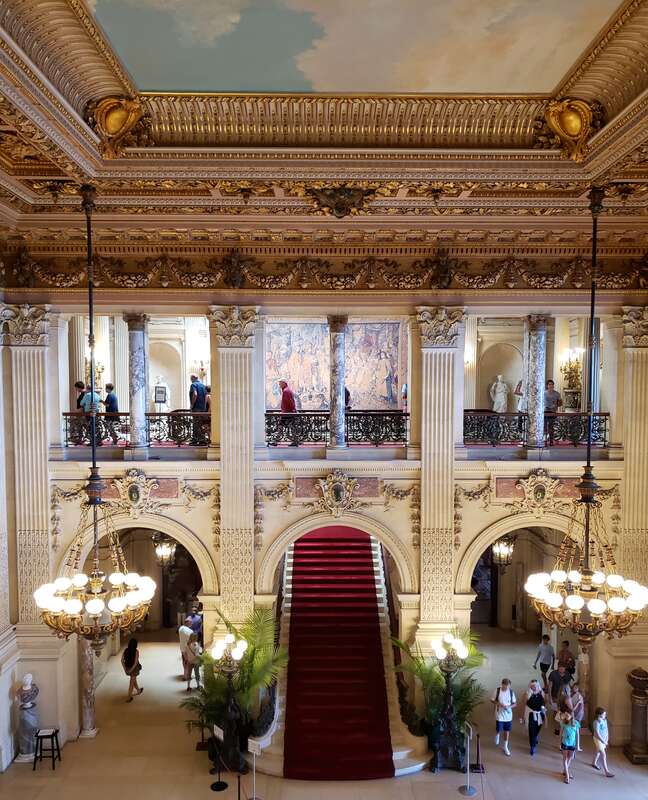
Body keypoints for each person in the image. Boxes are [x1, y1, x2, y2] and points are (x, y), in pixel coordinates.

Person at [491, 678, 516, 756]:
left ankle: (505, 746)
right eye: (505, 686)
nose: (506, 688)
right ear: (502, 684)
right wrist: (498, 704)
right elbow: (492, 700)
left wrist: (509, 707)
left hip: (508, 715)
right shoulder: (497, 691)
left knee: (507, 730)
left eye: (508, 686)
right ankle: (497, 734)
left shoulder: (511, 692)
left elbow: (515, 704)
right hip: (499, 714)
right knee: (498, 728)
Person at [524, 679, 546, 756]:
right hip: (531, 715)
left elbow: (543, 704)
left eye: (535, 685)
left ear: (537, 685)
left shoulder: (541, 693)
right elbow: (525, 703)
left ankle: (536, 736)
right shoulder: (528, 693)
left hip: (540, 714)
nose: (534, 687)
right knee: (531, 731)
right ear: (530, 686)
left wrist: (545, 715)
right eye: (532, 686)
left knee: (538, 729)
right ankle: (532, 747)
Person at [592, 706, 614, 778]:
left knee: (598, 752)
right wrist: (603, 741)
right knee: (603, 754)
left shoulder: (605, 720)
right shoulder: (596, 722)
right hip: (598, 740)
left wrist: (607, 738)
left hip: (604, 740)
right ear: (599, 715)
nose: (605, 715)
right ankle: (606, 771)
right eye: (604, 714)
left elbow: (606, 730)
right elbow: (597, 733)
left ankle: (594, 763)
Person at [559, 711, 580, 784]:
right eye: (565, 714)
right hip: (565, 743)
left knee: (570, 757)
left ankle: (565, 770)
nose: (566, 716)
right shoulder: (563, 723)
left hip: (572, 744)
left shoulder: (576, 723)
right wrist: (559, 744)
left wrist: (578, 745)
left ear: (572, 715)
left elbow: (577, 735)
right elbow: (560, 734)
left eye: (568, 714)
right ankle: (567, 775)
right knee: (565, 758)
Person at [121, 638, 143, 702]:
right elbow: (135, 662)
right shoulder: (136, 651)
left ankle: (138, 690)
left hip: (127, 667)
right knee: (131, 682)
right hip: (134, 669)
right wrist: (131, 670)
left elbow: (122, 660)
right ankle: (129, 697)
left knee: (133, 679)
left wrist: (125, 669)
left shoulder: (125, 650)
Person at [189, 374, 207, 444]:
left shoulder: (193, 385)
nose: (191, 380)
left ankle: (195, 440)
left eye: (191, 379)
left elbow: (195, 394)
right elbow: (206, 396)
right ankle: (202, 440)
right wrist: (204, 406)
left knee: (195, 424)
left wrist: (192, 404)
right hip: (202, 408)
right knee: (200, 424)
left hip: (196, 408)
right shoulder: (203, 385)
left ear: (193, 378)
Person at [544, 379, 562, 445]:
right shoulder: (544, 393)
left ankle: (551, 441)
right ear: (547, 385)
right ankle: (545, 440)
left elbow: (560, 403)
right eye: (549, 384)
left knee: (551, 426)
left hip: (553, 411)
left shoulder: (557, 393)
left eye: (552, 384)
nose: (551, 385)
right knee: (545, 427)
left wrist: (556, 404)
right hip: (545, 411)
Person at [570, 684, 584, 751]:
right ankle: (574, 745)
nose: (574, 689)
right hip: (573, 714)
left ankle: (577, 746)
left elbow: (580, 707)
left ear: (578, 688)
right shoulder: (572, 695)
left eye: (575, 688)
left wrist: (575, 716)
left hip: (577, 715)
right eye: (573, 687)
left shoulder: (579, 696)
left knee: (577, 730)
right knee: (573, 730)